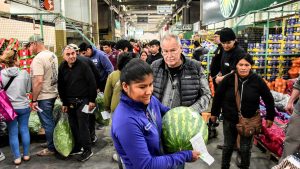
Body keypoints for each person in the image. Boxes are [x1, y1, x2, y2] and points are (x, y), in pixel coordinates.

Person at [111, 58, 200, 169]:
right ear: (125, 86)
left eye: (150, 84)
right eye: (142, 87)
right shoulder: (126, 122)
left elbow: (169, 113)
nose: (149, 91)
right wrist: (185, 155)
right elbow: (146, 165)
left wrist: (189, 120)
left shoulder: (149, 100)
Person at [210, 53, 275, 169]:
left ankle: (245, 166)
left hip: (249, 121)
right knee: (228, 146)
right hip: (229, 119)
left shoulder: (257, 80)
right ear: (236, 66)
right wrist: (214, 113)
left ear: (251, 66)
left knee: (245, 148)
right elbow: (218, 97)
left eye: (247, 65)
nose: (243, 68)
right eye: (241, 65)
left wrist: (270, 116)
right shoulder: (228, 79)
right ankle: (224, 166)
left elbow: (268, 98)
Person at [151, 34, 211, 113]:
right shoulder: (154, 67)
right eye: (165, 51)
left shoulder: (195, 67)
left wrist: (190, 111)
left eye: (173, 50)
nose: (169, 55)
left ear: (181, 49)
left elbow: (206, 95)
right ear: (161, 52)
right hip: (159, 120)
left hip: (187, 122)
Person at [58, 45, 97, 162]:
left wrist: (92, 100)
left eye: (73, 53)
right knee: (73, 125)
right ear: (63, 56)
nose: (71, 56)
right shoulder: (62, 67)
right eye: (68, 54)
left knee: (83, 125)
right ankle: (77, 146)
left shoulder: (83, 65)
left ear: (76, 53)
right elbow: (61, 86)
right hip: (70, 101)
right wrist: (64, 103)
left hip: (84, 101)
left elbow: (92, 82)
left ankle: (87, 149)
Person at [27, 35, 58, 156]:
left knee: (47, 122)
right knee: (49, 120)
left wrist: (34, 99)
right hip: (52, 92)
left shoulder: (38, 59)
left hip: (44, 96)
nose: (29, 48)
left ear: (34, 43)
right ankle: (51, 141)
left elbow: (38, 81)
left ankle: (51, 148)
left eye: (30, 45)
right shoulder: (52, 55)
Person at [0, 50, 31, 165]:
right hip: (23, 106)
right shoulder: (24, 73)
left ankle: (17, 158)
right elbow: (28, 90)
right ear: (17, 59)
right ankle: (26, 155)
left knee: (13, 132)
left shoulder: (1, 74)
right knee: (24, 129)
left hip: (9, 109)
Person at [69, 43, 100, 144]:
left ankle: (82, 143)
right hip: (88, 96)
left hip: (81, 97)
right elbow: (97, 75)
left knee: (80, 121)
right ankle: (91, 137)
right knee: (88, 117)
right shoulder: (87, 60)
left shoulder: (70, 63)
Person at [280, 75, 300, 162]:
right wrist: (290, 102)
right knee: (291, 142)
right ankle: (284, 165)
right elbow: (298, 84)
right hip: (299, 112)